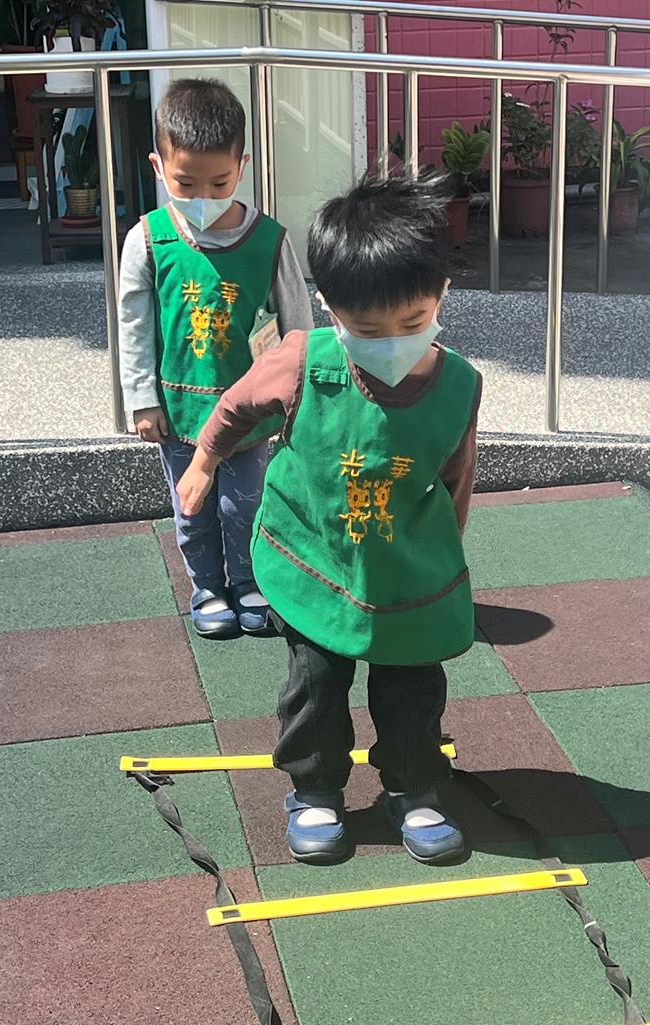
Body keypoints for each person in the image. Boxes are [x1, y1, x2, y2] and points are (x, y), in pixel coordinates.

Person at [177, 175, 482, 866]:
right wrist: (203, 462)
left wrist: (445, 557)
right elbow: (234, 406)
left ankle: (413, 786)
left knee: (413, 686)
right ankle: (314, 789)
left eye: (413, 322)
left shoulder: (458, 382)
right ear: (329, 305)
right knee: (315, 682)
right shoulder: (302, 359)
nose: (391, 342)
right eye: (367, 330)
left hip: (406, 564)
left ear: (440, 294)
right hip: (312, 554)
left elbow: (455, 475)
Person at [118, 77, 313, 639]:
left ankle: (250, 582)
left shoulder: (269, 240)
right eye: (185, 182)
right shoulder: (149, 240)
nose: (203, 195)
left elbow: (298, 324)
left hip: (250, 412)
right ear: (158, 167)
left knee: (244, 503)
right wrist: (141, 399)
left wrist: (301, 396)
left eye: (219, 182)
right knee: (193, 504)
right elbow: (134, 325)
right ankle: (207, 586)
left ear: (242, 166)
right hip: (179, 409)